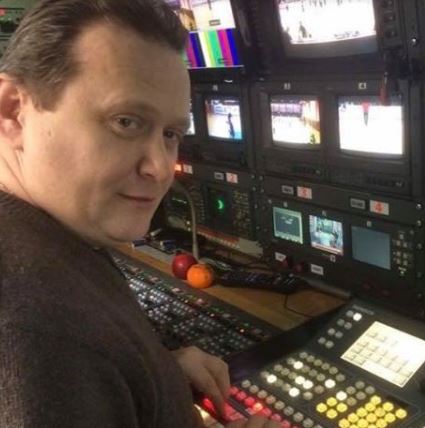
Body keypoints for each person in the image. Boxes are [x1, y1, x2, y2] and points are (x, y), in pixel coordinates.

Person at [0, 0, 279, 427]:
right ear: (13, 113)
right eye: (126, 122)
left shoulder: (44, 242)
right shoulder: (38, 335)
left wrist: (155, 374)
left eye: (170, 133)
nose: (161, 168)